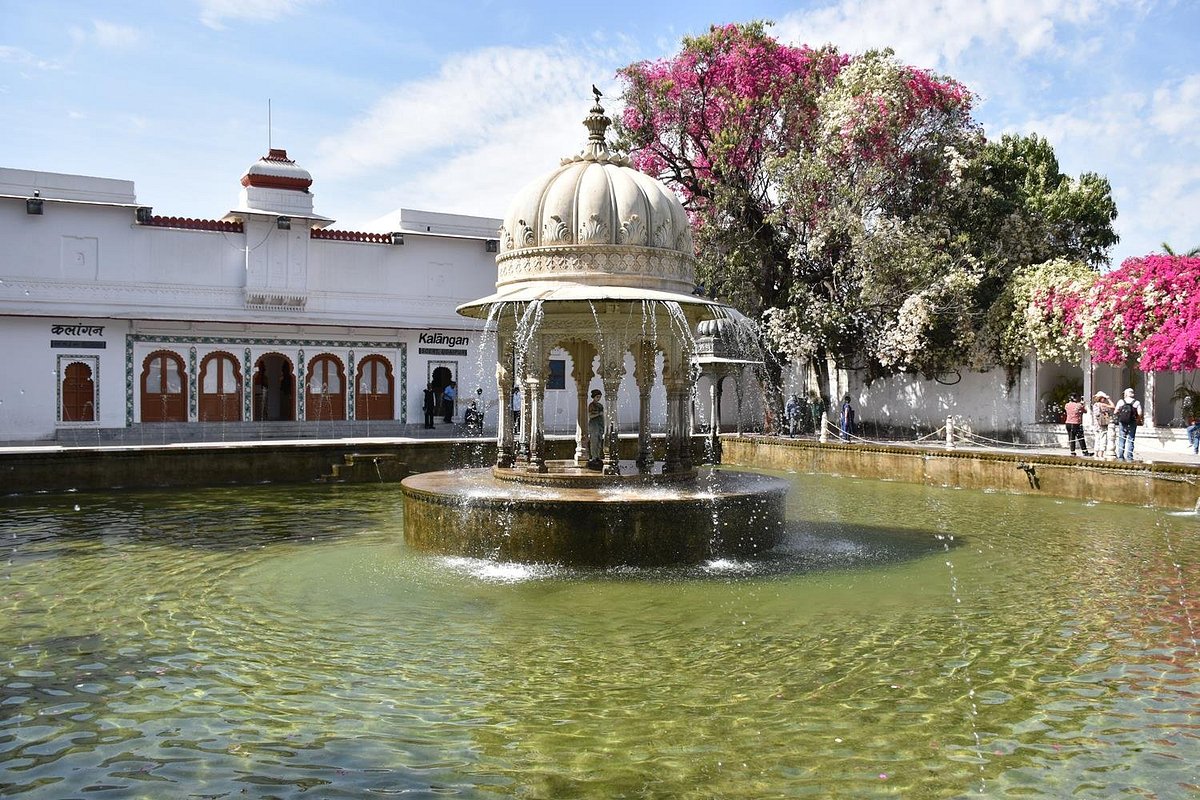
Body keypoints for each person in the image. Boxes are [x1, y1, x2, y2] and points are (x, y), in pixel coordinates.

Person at [1113, 387, 1143, 462]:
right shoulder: (1137, 402)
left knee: (1121, 438)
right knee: (1130, 439)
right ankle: (1129, 456)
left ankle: (1120, 456)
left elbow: (1115, 411)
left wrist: (1121, 414)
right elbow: (1140, 413)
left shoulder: (1121, 401)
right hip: (1132, 422)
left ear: (1126, 394)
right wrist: (1138, 420)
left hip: (1122, 422)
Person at [1091, 390, 1115, 458]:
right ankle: (1101, 454)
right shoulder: (1103, 405)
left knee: (1097, 438)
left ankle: (1096, 453)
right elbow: (1113, 406)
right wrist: (1109, 399)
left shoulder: (1095, 405)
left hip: (1096, 424)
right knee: (1103, 438)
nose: (1104, 399)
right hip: (1103, 424)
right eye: (1104, 398)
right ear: (1101, 398)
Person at [586, 388, 604, 469]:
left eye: (599, 397)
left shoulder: (600, 405)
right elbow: (590, 416)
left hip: (600, 424)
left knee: (599, 441)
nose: (598, 398)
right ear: (594, 397)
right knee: (594, 441)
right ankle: (594, 457)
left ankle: (598, 456)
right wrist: (598, 414)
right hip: (593, 425)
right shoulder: (591, 405)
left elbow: (602, 416)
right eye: (597, 397)